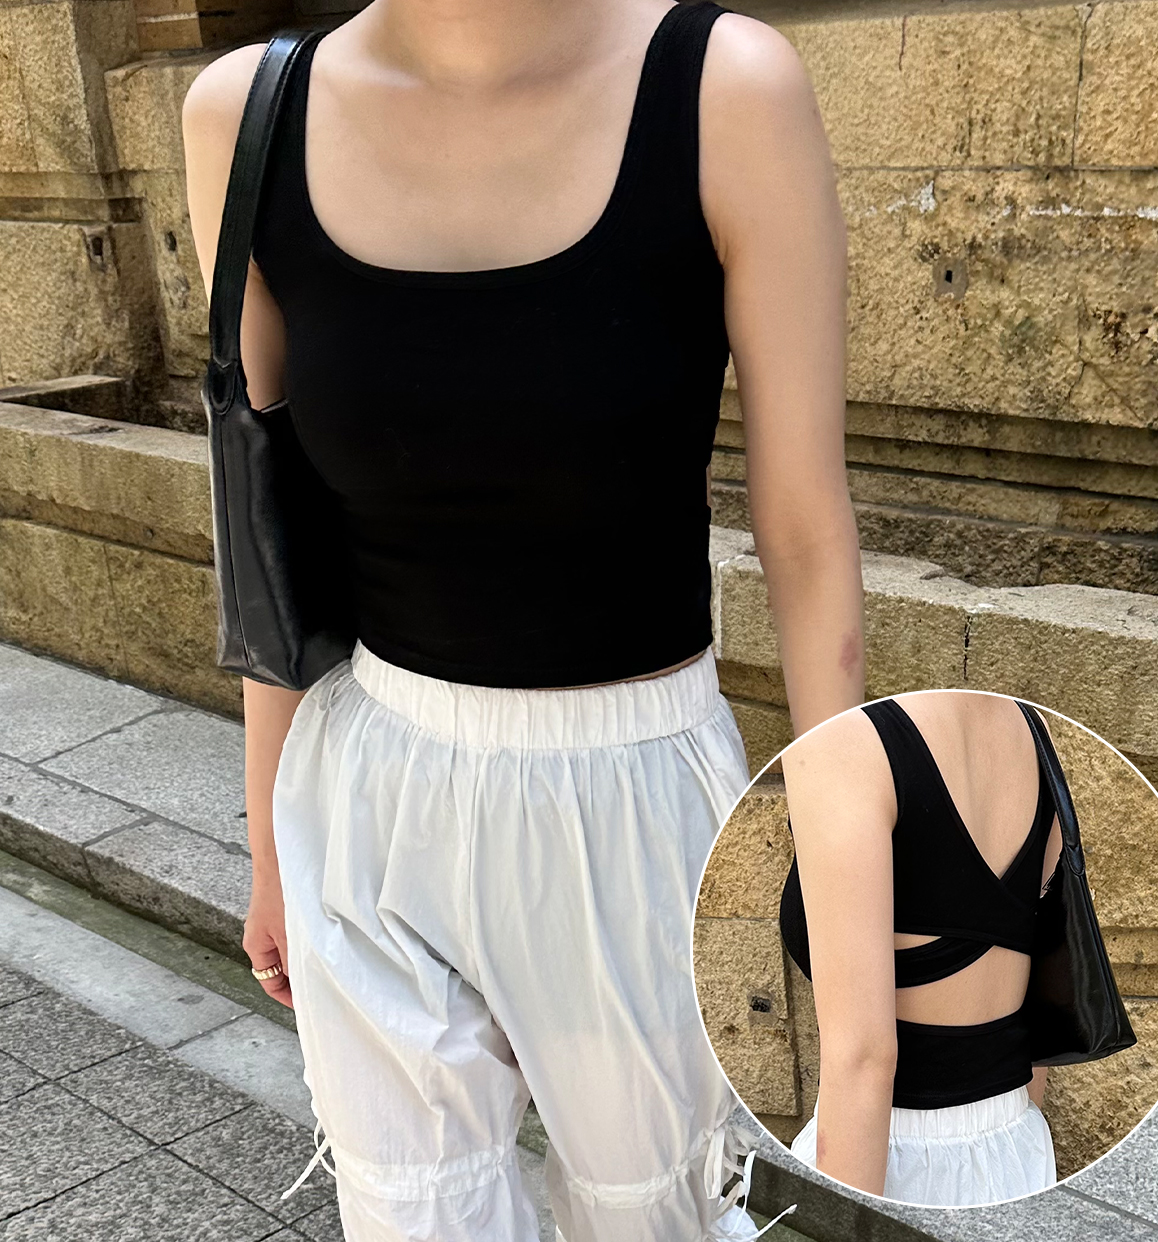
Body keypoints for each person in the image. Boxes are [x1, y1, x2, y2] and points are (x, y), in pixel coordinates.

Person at [183, 1, 863, 1238]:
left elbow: (808, 539)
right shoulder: (247, 115)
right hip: (367, 792)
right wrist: (272, 853)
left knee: (649, 1214)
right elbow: (267, 533)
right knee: (414, 1218)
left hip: (637, 802)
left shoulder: (724, 89)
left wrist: (844, 868)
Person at [782, 691, 1063, 1207]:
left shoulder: (842, 747)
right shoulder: (1033, 731)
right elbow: (1042, 992)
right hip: (1020, 1146)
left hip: (893, 1167)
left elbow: (863, 1060)